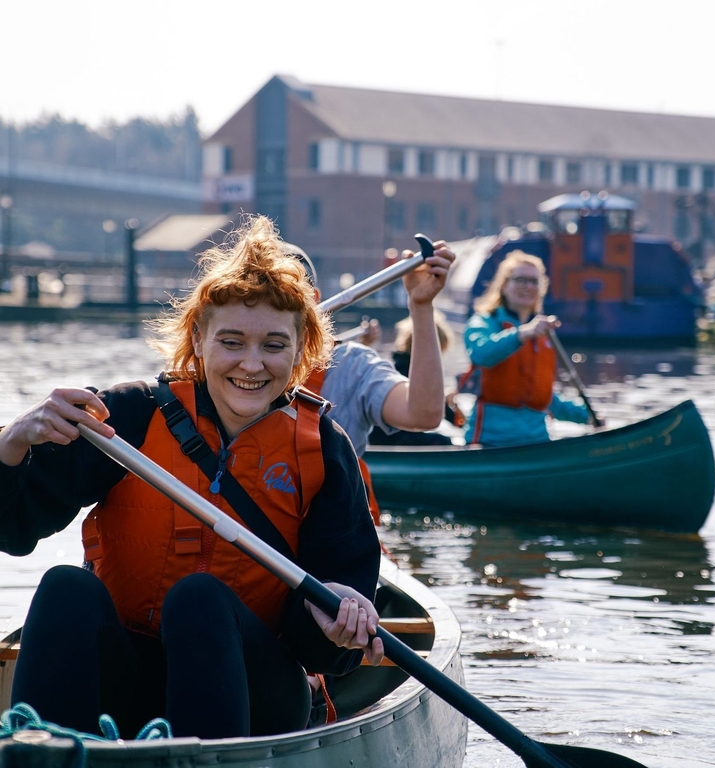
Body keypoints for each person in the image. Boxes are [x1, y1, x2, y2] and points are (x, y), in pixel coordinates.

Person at [0, 215, 384, 741]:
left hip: (255, 693)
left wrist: (338, 617)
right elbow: (13, 531)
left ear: (301, 352)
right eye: (232, 341)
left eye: (274, 345)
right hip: (130, 682)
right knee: (65, 587)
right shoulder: (126, 418)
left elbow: (327, 655)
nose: (252, 364)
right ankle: (41, 749)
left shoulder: (325, 450)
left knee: (199, 597)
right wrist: (12, 441)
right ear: (198, 342)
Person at [296, 242, 456, 457]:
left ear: (314, 298)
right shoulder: (240, 363)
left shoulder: (352, 365)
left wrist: (421, 305)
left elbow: (424, 415)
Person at [463, 249, 594, 447]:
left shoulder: (543, 334)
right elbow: (481, 354)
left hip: (537, 441)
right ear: (504, 285)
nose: (528, 286)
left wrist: (589, 416)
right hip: (490, 441)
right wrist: (522, 333)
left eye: (534, 282)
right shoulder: (483, 322)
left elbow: (544, 396)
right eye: (521, 280)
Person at [368, 311, 461, 447]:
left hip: (382, 439)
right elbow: (449, 418)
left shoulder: (395, 367)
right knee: (444, 442)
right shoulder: (413, 375)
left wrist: (446, 403)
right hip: (394, 440)